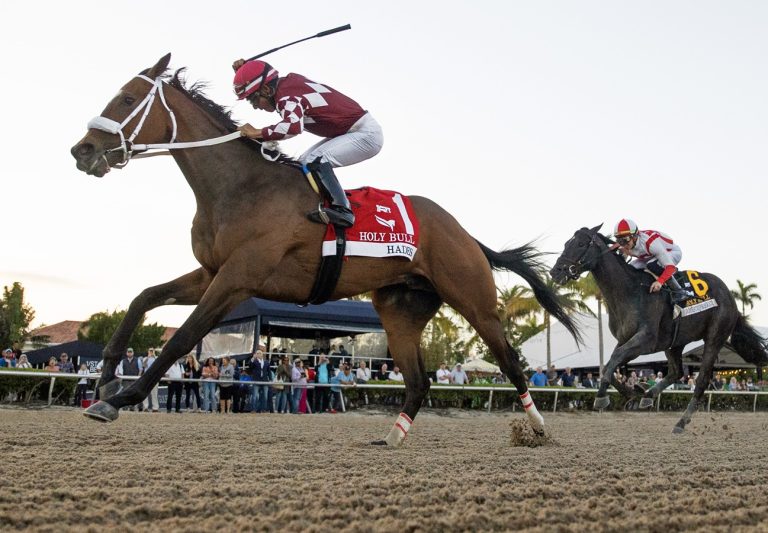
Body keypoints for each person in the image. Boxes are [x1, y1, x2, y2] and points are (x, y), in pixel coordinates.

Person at [231, 57, 384, 228]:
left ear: (266, 89)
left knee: (315, 161)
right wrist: (246, 70)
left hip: (365, 133)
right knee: (302, 164)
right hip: (351, 131)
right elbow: (263, 73)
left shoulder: (286, 96)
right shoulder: (286, 85)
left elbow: (293, 127)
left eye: (253, 99)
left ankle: (343, 211)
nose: (254, 106)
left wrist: (257, 132)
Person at [613, 218, 688, 305]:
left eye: (625, 239)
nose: (623, 243)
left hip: (672, 252)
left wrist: (660, 282)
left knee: (651, 265)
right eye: (619, 240)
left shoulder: (650, 243)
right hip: (651, 255)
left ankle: (679, 291)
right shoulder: (628, 241)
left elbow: (670, 267)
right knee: (631, 267)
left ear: (634, 236)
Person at [247, 349, 270, 413]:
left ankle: (264, 409)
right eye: (257, 353)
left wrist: (270, 379)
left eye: (259, 353)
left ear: (262, 354)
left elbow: (269, 371)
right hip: (256, 380)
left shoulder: (266, 362)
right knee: (255, 396)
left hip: (265, 380)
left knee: (265, 396)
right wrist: (252, 359)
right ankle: (254, 409)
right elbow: (250, 368)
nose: (258, 354)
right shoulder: (254, 362)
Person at [142, 348, 160, 412]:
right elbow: (144, 365)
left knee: (154, 393)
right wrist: (148, 357)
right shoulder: (145, 358)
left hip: (154, 377)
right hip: (146, 377)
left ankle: (155, 408)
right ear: (148, 351)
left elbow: (159, 364)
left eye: (152, 351)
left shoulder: (156, 358)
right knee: (145, 393)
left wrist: (154, 355)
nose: (151, 352)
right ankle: (145, 407)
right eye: (150, 350)